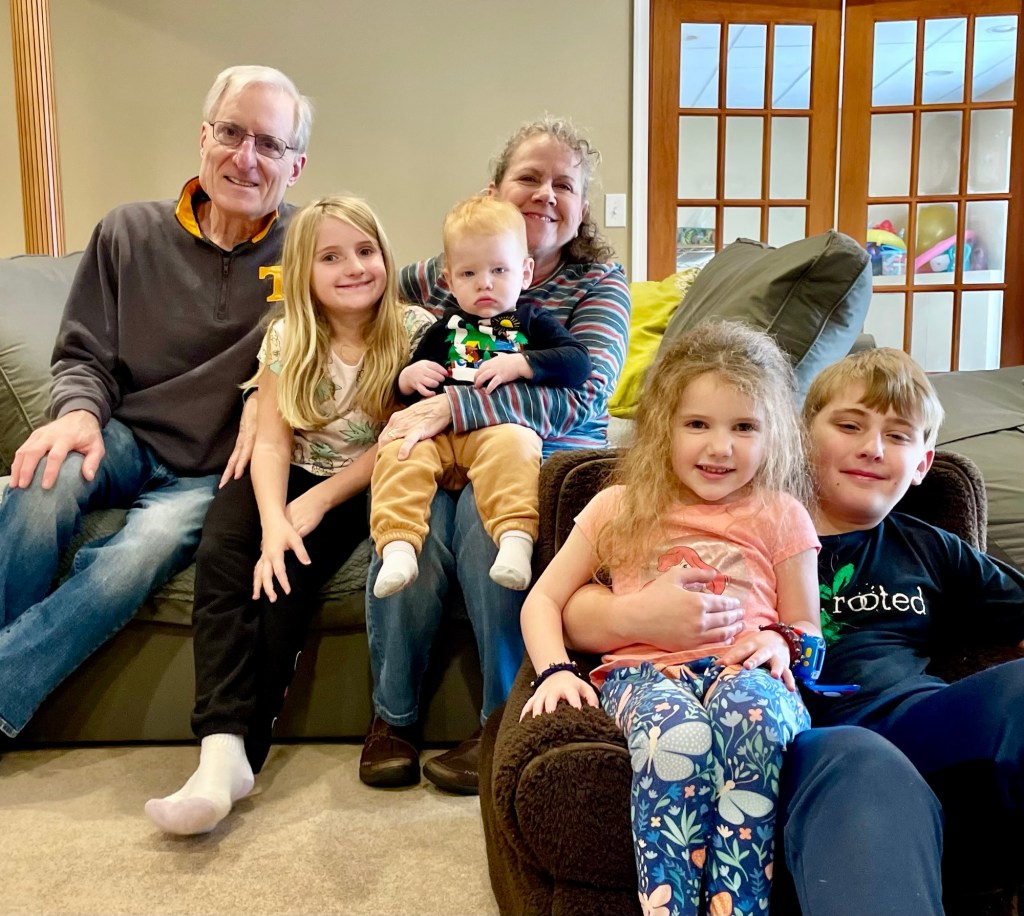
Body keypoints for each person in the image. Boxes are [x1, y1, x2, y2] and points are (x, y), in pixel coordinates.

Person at [0, 65, 310, 740]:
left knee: (139, 554)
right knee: (40, 480)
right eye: (231, 133)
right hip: (125, 434)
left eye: (269, 143)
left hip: (214, 471)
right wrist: (78, 415)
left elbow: (360, 327)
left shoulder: (311, 250)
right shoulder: (128, 231)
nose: (245, 157)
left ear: (296, 167)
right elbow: (84, 354)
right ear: (203, 138)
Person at [144, 196, 434, 835]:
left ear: (386, 256)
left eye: (365, 251)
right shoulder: (287, 335)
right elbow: (273, 441)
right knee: (225, 555)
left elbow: (400, 440)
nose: (353, 267)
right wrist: (273, 520)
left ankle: (242, 757)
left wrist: (319, 503)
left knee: (285, 580)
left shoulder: (416, 332)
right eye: (331, 257)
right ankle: (217, 751)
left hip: (361, 483)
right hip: (286, 470)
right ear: (303, 270)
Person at [358, 117, 631, 794]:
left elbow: (584, 395)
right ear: (495, 190)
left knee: (488, 529)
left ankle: (502, 720)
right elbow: (370, 285)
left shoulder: (598, 283)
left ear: (582, 208)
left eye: (564, 185)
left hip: (543, 454)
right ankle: (393, 716)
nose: (545, 194)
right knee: (409, 522)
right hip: (447, 448)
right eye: (528, 178)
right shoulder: (456, 268)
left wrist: (457, 408)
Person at [520, 321, 822, 916]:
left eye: (744, 427)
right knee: (675, 735)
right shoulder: (617, 506)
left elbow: (808, 631)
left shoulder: (783, 514)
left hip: (748, 676)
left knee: (756, 719)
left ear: (774, 435)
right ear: (663, 427)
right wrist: (554, 670)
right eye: (697, 424)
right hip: (647, 676)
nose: (720, 447)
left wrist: (781, 643)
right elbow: (542, 600)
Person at [800, 346, 1024, 903]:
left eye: (898, 436)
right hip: (810, 745)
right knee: (864, 760)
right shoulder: (747, 526)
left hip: (919, 723)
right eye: (849, 426)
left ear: (922, 464)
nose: (872, 448)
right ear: (803, 437)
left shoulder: (928, 547)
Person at [371, 196, 590, 598]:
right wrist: (406, 378)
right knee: (399, 451)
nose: (484, 283)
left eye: (499, 270)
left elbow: (578, 364)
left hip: (493, 435)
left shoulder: (531, 322)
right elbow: (405, 398)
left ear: (525, 272)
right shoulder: (442, 330)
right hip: (439, 440)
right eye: (468, 273)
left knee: (517, 444)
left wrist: (523, 364)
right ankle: (398, 548)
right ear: (450, 280)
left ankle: (515, 542)